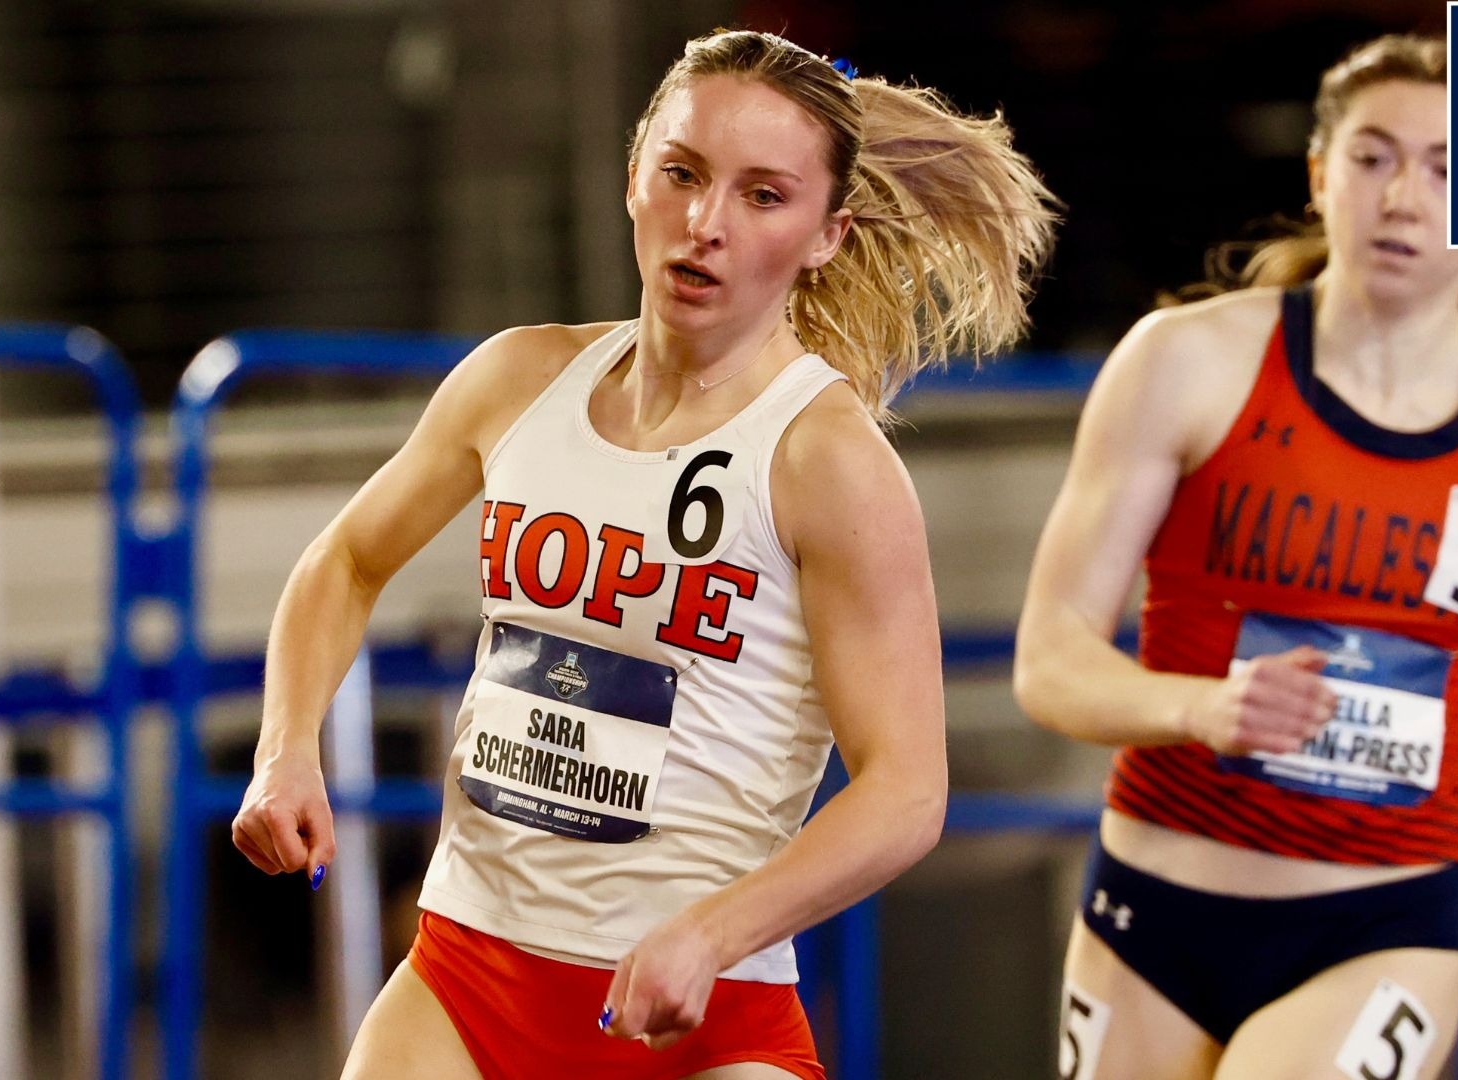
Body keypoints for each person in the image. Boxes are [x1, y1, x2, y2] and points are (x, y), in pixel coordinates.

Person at [232, 28, 1057, 1080]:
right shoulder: (516, 379)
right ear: (634, 178)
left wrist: (713, 933)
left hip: (700, 1019)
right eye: (683, 174)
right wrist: (285, 747)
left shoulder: (825, 460)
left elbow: (906, 792)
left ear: (827, 234)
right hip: (466, 980)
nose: (706, 225)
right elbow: (346, 561)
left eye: (764, 197)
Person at [1011, 34, 1458, 1080]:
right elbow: (1048, 653)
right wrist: (1196, 706)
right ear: (1320, 176)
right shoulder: (1184, 362)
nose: (1406, 196)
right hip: (1156, 912)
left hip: (1383, 924)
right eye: (1373, 158)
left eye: (1449, 167)